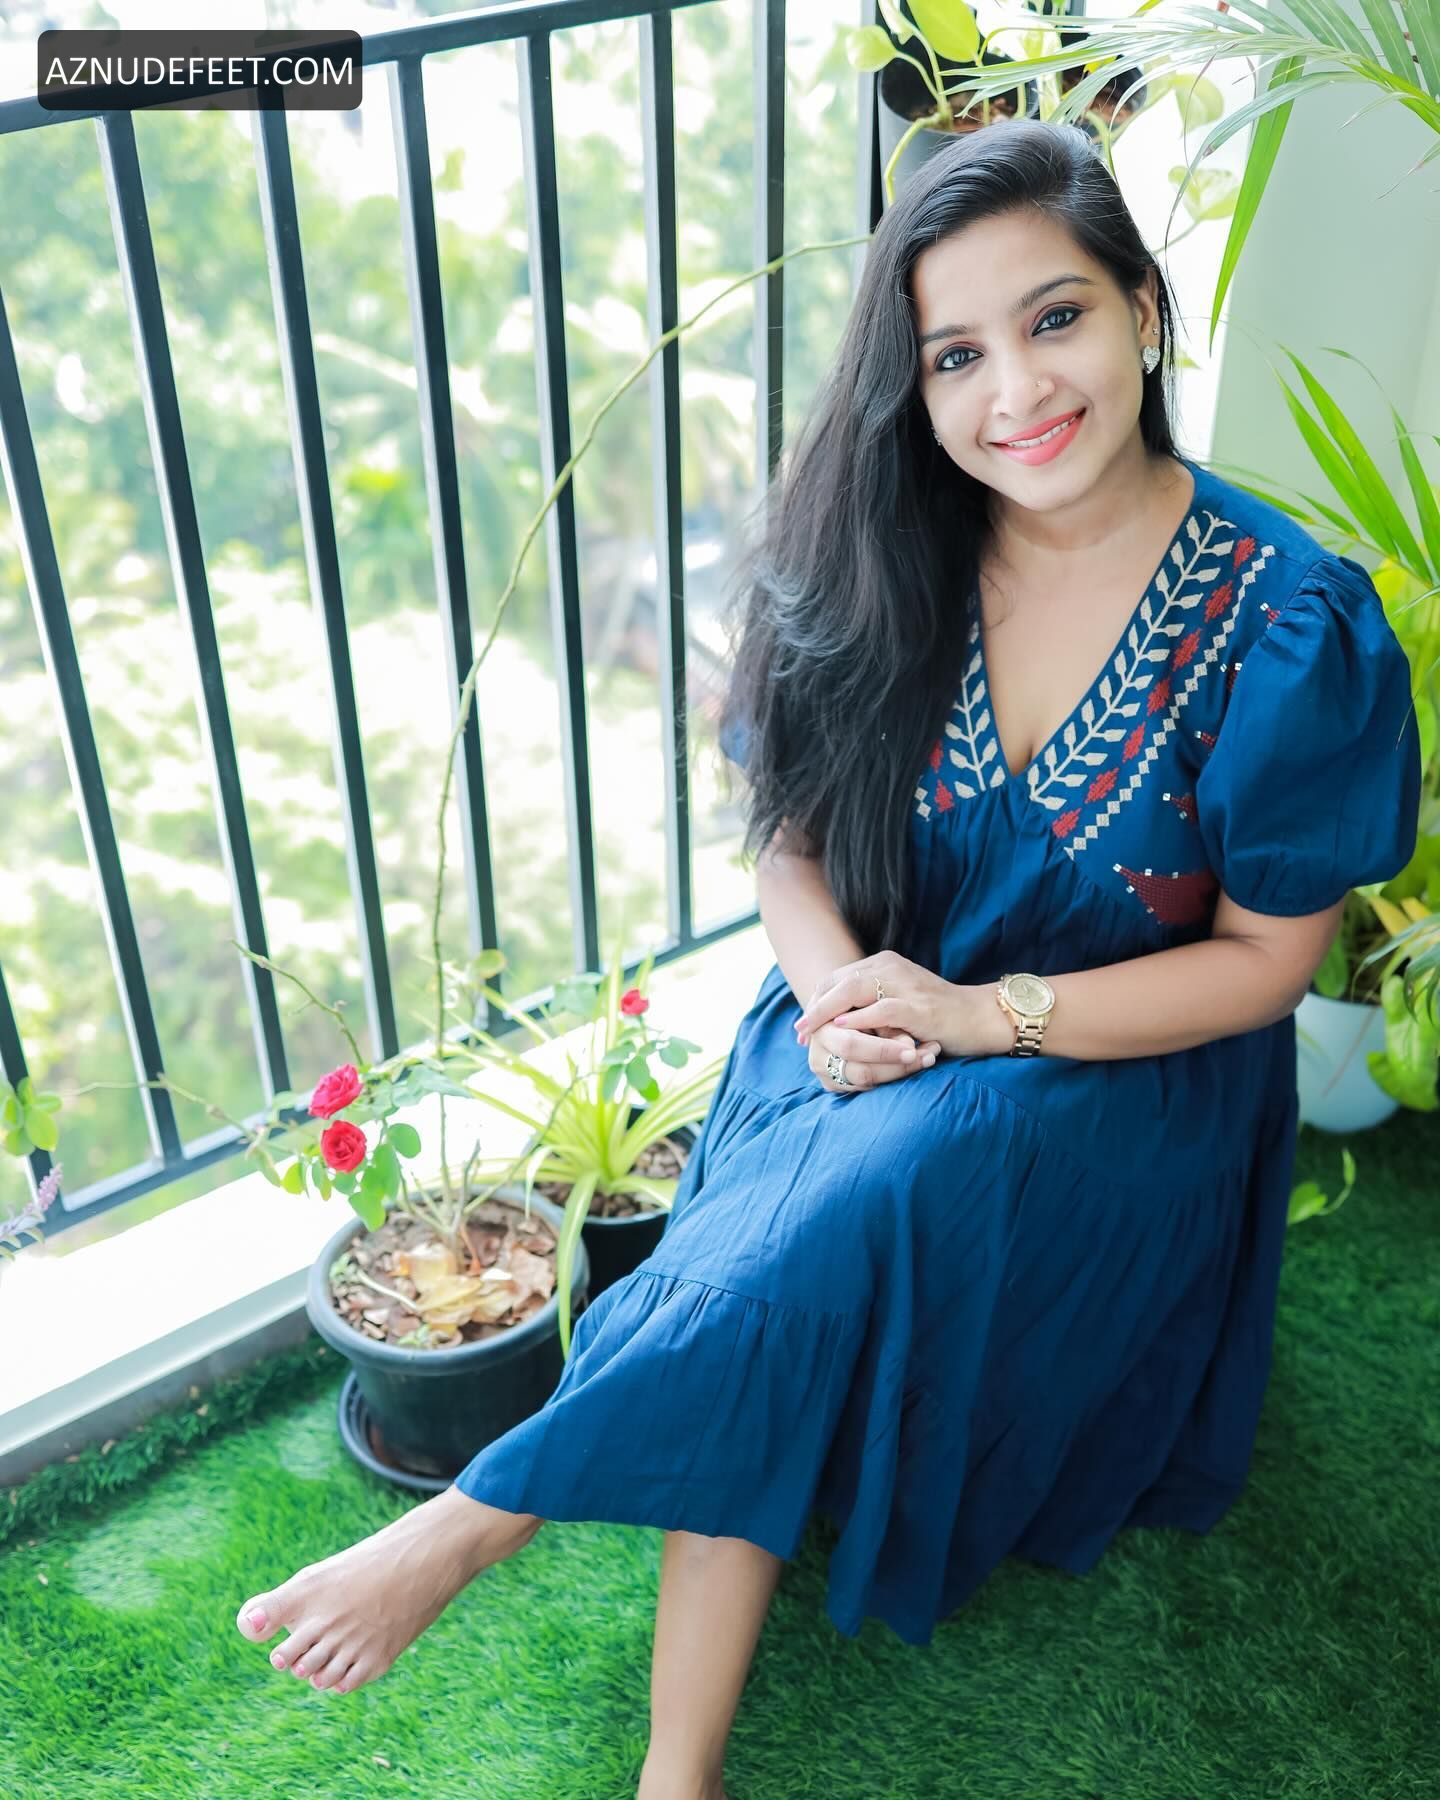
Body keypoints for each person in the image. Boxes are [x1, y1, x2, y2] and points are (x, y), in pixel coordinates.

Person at [235, 118, 1421, 1800]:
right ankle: (678, 1775)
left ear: (1147, 312)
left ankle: (481, 1516)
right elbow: (788, 844)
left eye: (1057, 318)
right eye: (956, 354)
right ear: (912, 385)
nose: (1016, 389)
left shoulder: (1286, 614)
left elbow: (1259, 968)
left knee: (857, 1201)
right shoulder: (890, 546)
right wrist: (835, 998)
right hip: (867, 1009)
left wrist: (980, 1016)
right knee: (788, 1231)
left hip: (1116, 1066)